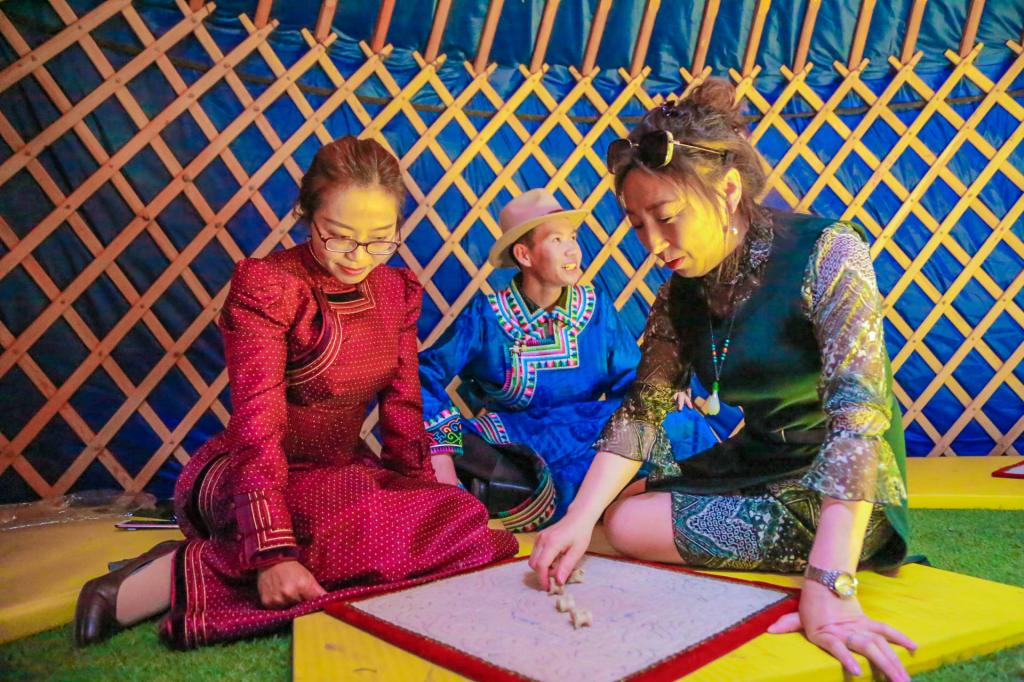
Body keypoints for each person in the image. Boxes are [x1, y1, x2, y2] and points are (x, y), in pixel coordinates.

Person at [528, 79, 915, 682]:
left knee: (626, 524)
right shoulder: (681, 293)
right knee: (612, 508)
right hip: (756, 459)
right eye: (637, 224)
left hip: (842, 491)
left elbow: (859, 422)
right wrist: (575, 519)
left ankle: (829, 550)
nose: (653, 244)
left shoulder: (829, 253)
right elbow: (642, 413)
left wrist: (830, 583)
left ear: (728, 189)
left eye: (666, 217)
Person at [74, 136, 517, 649]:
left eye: (380, 240)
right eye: (339, 237)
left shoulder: (395, 290)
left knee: (462, 519)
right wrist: (272, 553)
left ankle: (228, 555)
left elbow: (403, 408)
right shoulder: (271, 286)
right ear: (307, 215)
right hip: (252, 474)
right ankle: (156, 580)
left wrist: (421, 500)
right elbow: (257, 425)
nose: (359, 256)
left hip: (345, 474)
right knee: (359, 531)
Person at [419, 189, 649, 531]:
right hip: (519, 449)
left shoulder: (595, 307)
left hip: (589, 435)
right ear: (524, 254)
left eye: (573, 238)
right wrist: (443, 450)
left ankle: (592, 494)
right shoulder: (488, 315)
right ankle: (599, 499)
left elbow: (631, 380)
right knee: (450, 442)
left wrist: (660, 395)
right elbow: (423, 373)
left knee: (670, 420)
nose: (573, 250)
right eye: (557, 240)